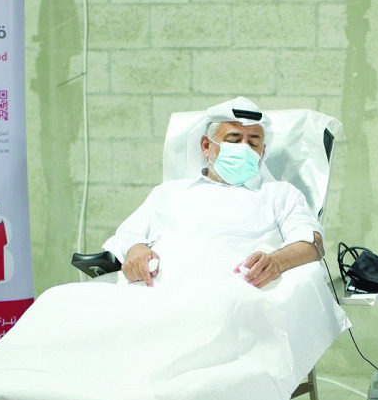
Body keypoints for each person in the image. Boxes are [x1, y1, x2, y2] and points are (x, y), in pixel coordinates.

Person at [103, 97, 324, 287]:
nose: (244, 148)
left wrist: (276, 262)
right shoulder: (169, 193)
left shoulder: (280, 194)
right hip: (154, 295)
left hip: (233, 299)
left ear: (263, 151)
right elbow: (127, 235)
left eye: (253, 143)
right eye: (234, 140)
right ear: (206, 146)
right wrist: (135, 250)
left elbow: (311, 244)